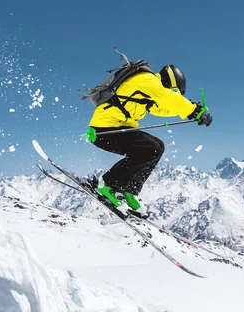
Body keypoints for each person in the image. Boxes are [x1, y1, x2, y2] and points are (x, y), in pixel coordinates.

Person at [83, 64, 212, 217]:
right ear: (170, 83)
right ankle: (108, 185)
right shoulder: (147, 80)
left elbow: (162, 108)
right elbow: (167, 98)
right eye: (175, 91)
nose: (174, 93)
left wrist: (191, 111)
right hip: (105, 130)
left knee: (158, 146)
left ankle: (128, 191)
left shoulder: (149, 90)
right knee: (150, 148)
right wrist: (192, 109)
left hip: (116, 128)